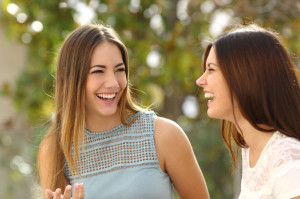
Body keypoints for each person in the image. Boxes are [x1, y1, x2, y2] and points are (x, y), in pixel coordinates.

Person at [37, 23, 210, 199]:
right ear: (69, 76)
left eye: (120, 70)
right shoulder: (55, 149)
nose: (113, 83)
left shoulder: (164, 135)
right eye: (98, 71)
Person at [196, 23, 300, 198]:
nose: (200, 80)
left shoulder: (287, 159)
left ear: (245, 76)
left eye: (211, 69)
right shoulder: (253, 150)